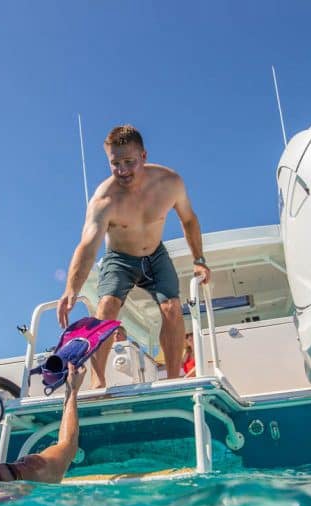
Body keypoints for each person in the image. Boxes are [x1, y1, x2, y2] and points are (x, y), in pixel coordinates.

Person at [57, 124, 211, 388]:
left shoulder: (169, 183)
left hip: (155, 255)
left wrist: (199, 260)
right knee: (107, 305)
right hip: (120, 258)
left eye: (129, 161)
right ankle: (98, 381)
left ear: (144, 156)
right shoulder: (104, 200)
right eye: (115, 164)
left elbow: (189, 220)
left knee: (172, 308)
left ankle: (173, 380)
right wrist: (71, 288)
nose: (123, 170)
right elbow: (88, 246)